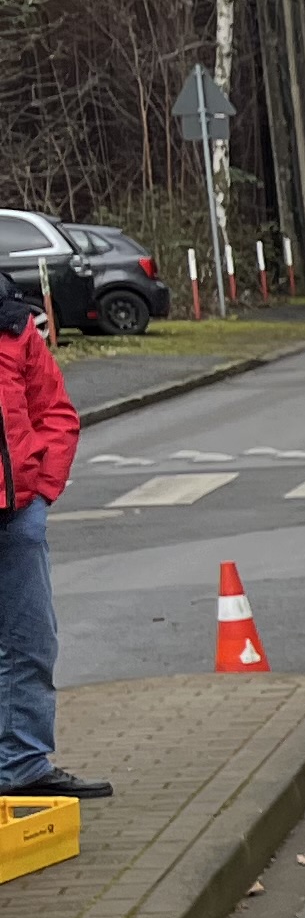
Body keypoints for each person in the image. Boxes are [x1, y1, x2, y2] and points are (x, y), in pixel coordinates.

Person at [0, 265, 105, 801]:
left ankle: (21, 765)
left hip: (16, 514)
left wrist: (39, 494)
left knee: (29, 644)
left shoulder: (16, 327)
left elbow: (55, 413)